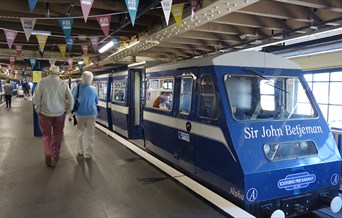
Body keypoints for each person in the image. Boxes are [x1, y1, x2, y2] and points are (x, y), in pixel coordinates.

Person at [32, 65, 74, 168]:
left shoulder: (42, 82)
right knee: (57, 134)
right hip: (60, 114)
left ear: (49, 72)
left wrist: (38, 109)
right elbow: (71, 99)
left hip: (45, 114)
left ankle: (48, 152)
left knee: (46, 135)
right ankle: (56, 155)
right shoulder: (63, 84)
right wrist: (68, 110)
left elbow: (35, 97)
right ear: (58, 73)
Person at [72, 71, 98, 159]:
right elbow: (96, 101)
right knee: (90, 134)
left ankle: (80, 151)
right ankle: (88, 154)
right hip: (92, 113)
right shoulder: (94, 89)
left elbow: (73, 99)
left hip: (80, 113)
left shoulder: (77, 88)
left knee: (80, 132)